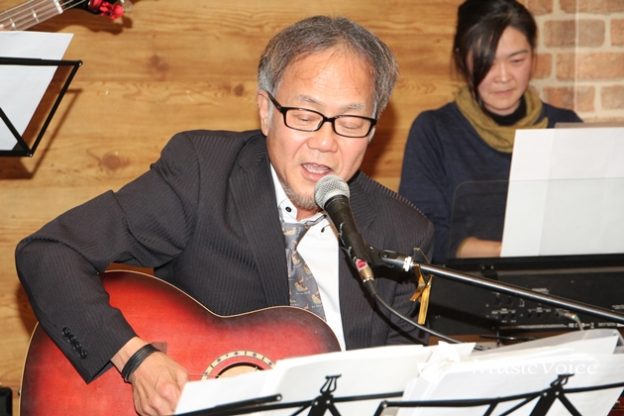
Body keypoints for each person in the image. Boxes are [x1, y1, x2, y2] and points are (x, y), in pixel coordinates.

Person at [15, 16, 434, 416]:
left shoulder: (403, 234)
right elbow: (50, 253)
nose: (325, 142)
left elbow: (403, 385)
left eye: (351, 121)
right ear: (266, 111)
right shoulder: (203, 174)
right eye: (305, 116)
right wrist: (135, 358)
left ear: (372, 130)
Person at [398, 0, 581, 264]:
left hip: (556, 281)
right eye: (487, 62)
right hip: (464, 282)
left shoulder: (564, 127)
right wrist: (505, 252)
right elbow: (419, 237)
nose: (503, 76)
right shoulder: (434, 131)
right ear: (462, 60)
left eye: (516, 60)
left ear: (533, 57)